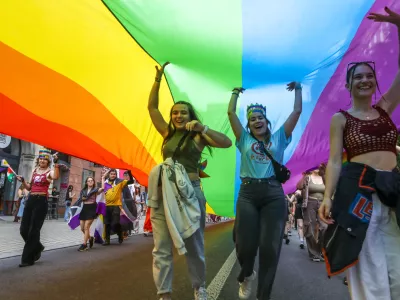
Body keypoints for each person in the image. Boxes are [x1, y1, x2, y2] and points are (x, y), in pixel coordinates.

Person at [319, 7, 400, 300]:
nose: (365, 80)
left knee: (396, 267)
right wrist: (327, 197)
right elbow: (334, 161)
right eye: (358, 77)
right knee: (368, 266)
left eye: (369, 76)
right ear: (349, 85)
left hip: (393, 194)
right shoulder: (340, 119)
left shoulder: (385, 108)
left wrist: (399, 27)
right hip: (360, 196)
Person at [148, 62, 232, 300]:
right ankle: (164, 294)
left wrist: (203, 127)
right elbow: (152, 108)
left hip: (191, 193)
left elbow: (226, 142)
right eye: (175, 112)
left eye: (183, 112)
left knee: (194, 246)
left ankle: (200, 287)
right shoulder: (168, 133)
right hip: (163, 193)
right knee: (161, 248)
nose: (178, 115)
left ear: (190, 115)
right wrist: (157, 80)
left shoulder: (199, 136)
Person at [228, 81, 302, 300]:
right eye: (252, 119)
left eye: (260, 117)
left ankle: (263, 296)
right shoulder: (244, 139)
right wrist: (234, 93)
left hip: (273, 195)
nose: (257, 121)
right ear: (248, 125)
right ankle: (247, 273)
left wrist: (298, 89)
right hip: (248, 194)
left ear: (266, 121)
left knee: (270, 249)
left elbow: (297, 111)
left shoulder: (279, 137)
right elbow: (230, 112)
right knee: (244, 245)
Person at [16, 148, 59, 267]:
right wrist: (23, 181)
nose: (42, 161)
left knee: (34, 230)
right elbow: (29, 187)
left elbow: (55, 176)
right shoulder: (34, 171)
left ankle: (27, 259)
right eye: (40, 159)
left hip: (41, 201)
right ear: (38, 160)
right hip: (31, 200)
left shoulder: (49, 171)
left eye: (44, 159)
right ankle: (38, 247)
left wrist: (56, 163)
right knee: (23, 229)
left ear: (48, 161)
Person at [297, 164, 327, 262]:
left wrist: (324, 174)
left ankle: (319, 250)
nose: (318, 167)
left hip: (322, 204)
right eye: (317, 165)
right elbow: (299, 186)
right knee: (309, 227)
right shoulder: (307, 177)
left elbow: (330, 189)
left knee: (325, 228)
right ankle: (314, 253)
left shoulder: (325, 177)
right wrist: (304, 175)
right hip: (310, 203)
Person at [103, 169, 134, 245]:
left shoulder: (119, 183)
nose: (113, 175)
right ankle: (107, 240)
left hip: (116, 205)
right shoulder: (105, 183)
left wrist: (129, 172)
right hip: (107, 206)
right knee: (107, 223)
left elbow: (131, 181)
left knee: (115, 223)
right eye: (111, 174)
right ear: (109, 175)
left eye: (114, 174)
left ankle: (120, 233)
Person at [77, 176, 104, 251]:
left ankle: (84, 244)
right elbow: (81, 198)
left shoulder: (95, 190)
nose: (90, 182)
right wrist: (83, 198)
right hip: (85, 208)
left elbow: (102, 188)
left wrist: (103, 178)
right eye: (89, 181)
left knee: (86, 227)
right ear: (86, 182)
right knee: (82, 228)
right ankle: (91, 238)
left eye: (92, 180)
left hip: (92, 207)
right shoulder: (83, 190)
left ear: (94, 182)